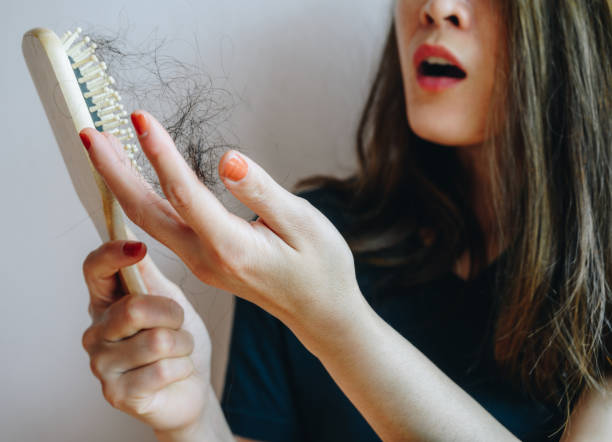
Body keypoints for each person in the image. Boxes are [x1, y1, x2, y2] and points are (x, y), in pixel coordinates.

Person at [78, 0, 612, 441]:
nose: (438, 10)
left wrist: (332, 320)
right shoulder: (303, 241)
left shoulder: (601, 279)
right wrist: (192, 417)